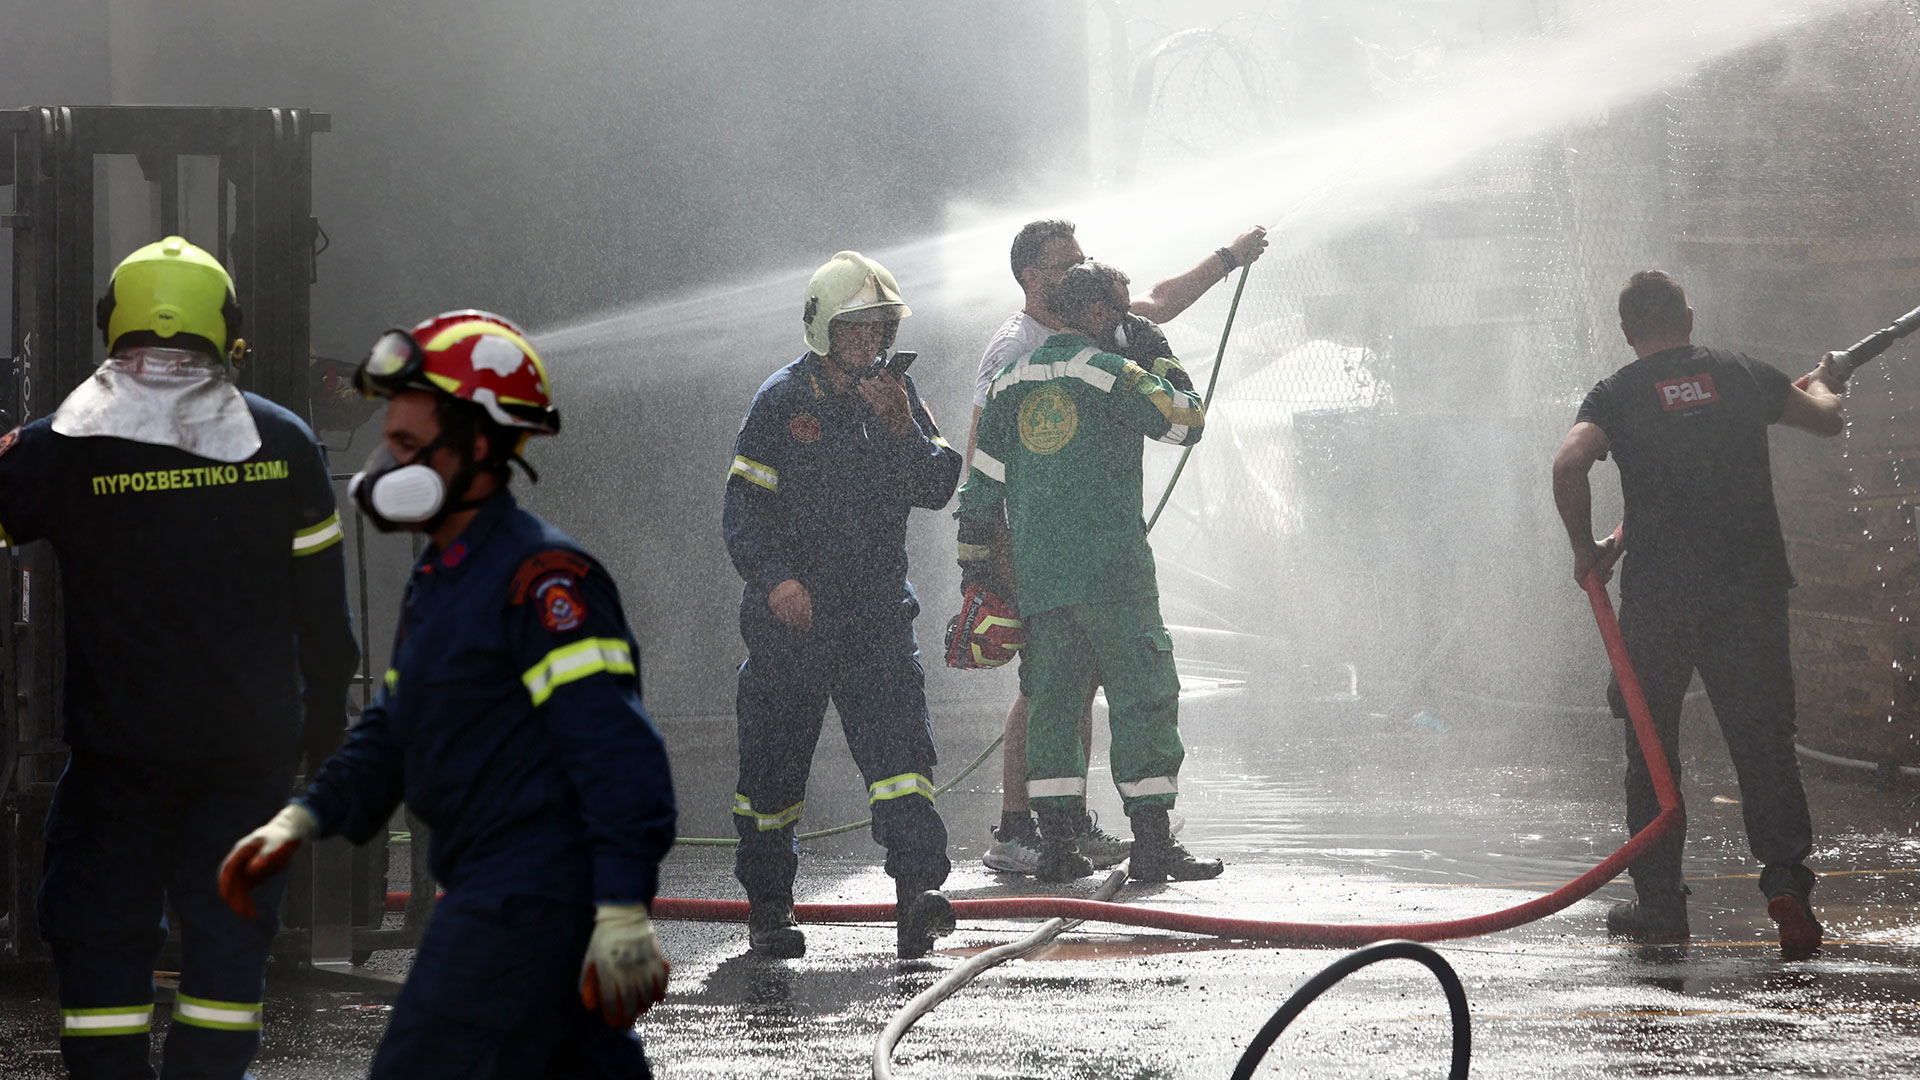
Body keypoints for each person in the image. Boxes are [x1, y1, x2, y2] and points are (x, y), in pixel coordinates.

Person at [219, 311, 677, 1076]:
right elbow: (394, 730)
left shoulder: (545, 584)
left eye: (408, 446)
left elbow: (619, 755)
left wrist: (623, 908)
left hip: (531, 899)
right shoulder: (443, 575)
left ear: (479, 447)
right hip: (495, 893)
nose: (388, 465)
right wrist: (302, 819)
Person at [0, 236, 358, 1079]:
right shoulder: (284, 442)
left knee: (100, 935)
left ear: (111, 323)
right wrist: (326, 737)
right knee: (230, 944)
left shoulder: (59, 447)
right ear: (226, 330)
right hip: (248, 758)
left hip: (117, 758)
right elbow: (325, 620)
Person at [1552, 270, 1846, 957]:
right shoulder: (1739, 374)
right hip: (1749, 595)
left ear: (1628, 332)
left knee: (1651, 749)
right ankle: (1787, 885)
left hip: (1660, 601)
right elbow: (1827, 418)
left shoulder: (1616, 394)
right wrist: (1832, 380)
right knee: (1764, 743)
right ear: (1688, 317)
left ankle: (1660, 905)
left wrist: (1586, 549)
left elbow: (1568, 464)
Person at [968, 219, 1269, 875]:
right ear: (1098, 312)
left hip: (1045, 577)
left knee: (1054, 701)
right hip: (1112, 575)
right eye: (1121, 312)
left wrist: (979, 572)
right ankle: (1149, 846)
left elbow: (980, 482)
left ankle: (1057, 847)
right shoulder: (1107, 371)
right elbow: (1185, 420)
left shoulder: (1014, 378)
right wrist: (1160, 356)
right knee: (1140, 697)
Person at [724, 251, 963, 959]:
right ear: (824, 328)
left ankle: (917, 900)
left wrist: (899, 427)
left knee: (902, 763)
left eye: (881, 327)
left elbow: (936, 485)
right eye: (857, 327)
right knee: (772, 772)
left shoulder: (897, 395)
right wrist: (776, 581)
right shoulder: (780, 401)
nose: (871, 340)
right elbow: (743, 510)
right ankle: (770, 909)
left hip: (876, 618)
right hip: (791, 624)